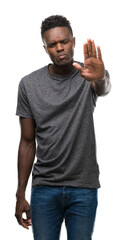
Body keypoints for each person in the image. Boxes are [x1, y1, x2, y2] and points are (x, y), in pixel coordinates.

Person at [15, 15, 111, 240]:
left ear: (74, 42)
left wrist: (99, 79)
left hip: (83, 187)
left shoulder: (88, 74)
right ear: (45, 48)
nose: (59, 48)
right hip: (44, 188)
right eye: (52, 44)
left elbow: (103, 87)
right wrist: (20, 193)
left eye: (64, 41)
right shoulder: (29, 84)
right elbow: (27, 141)